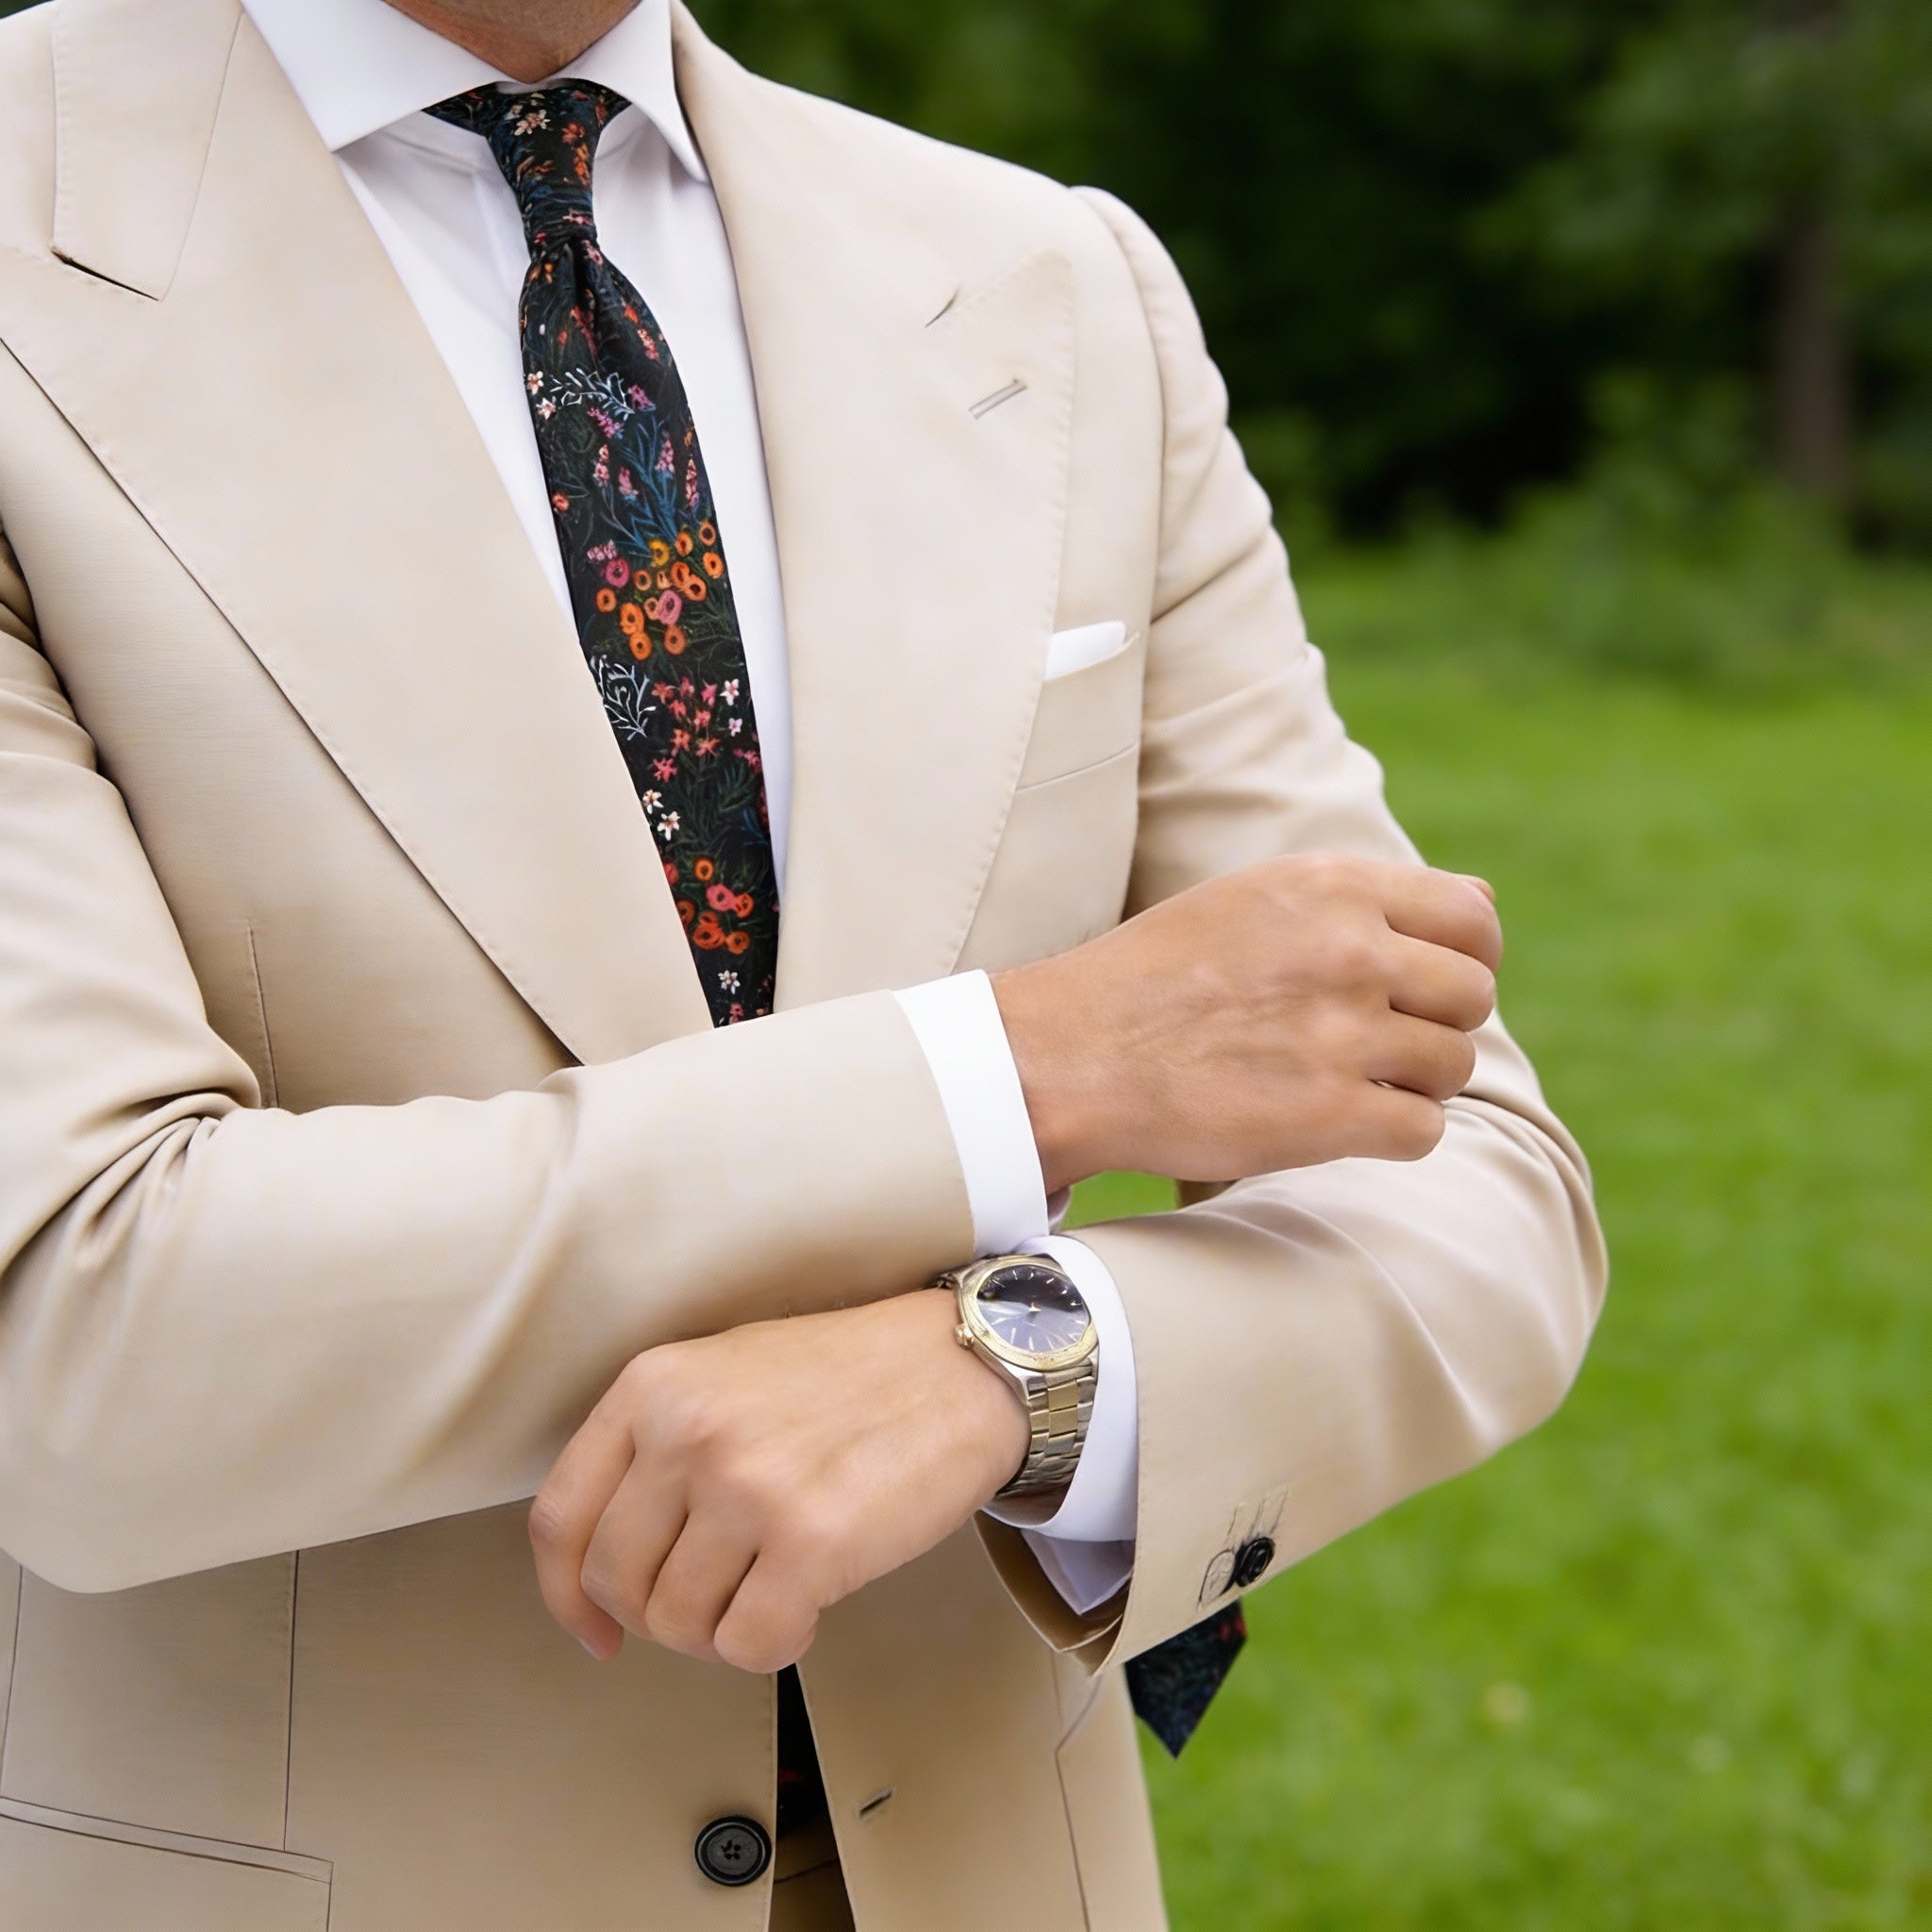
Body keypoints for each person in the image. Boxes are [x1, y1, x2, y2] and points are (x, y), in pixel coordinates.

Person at [0, 0, 1607, 1926]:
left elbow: (1475, 1181)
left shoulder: (1050, 280)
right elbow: (73, 1334)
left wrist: (1023, 1367)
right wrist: (1023, 1070)